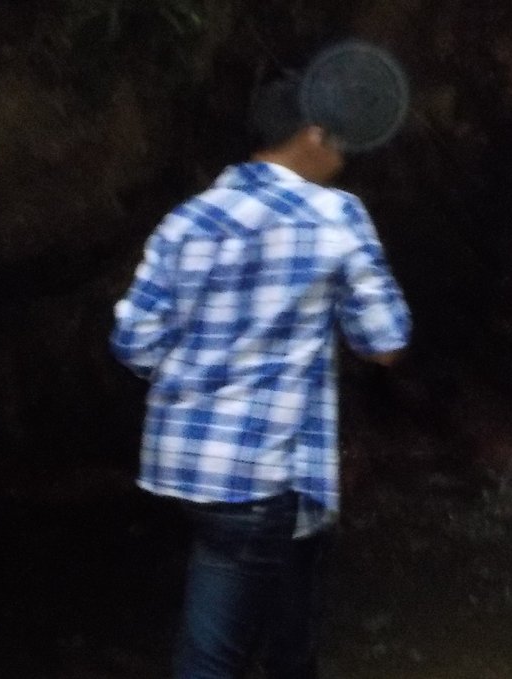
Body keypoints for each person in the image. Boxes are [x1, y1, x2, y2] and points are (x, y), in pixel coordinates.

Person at [109, 76, 411, 678]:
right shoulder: (334, 216)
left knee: (290, 641)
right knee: (212, 662)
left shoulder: (188, 219)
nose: (343, 158)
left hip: (191, 464)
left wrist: (200, 384)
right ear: (312, 134)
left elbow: (132, 339)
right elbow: (385, 342)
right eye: (340, 142)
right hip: (260, 474)